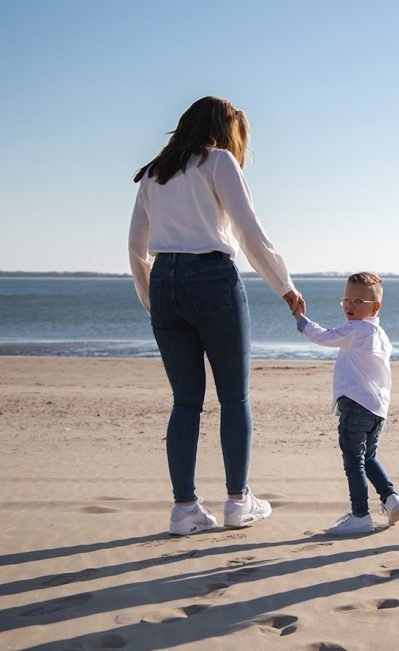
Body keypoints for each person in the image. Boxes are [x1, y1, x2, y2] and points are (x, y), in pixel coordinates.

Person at [129, 96, 304, 536]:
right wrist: (284, 285)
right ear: (224, 130)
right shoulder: (220, 161)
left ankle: (184, 508)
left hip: (165, 278)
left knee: (185, 401)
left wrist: (153, 299)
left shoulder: (154, 172)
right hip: (210, 277)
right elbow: (248, 231)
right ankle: (237, 501)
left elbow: (135, 245)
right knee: (233, 396)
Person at [292, 272, 399, 535]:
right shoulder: (380, 335)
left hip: (356, 406)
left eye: (358, 301)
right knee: (368, 457)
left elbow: (324, 336)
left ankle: (360, 516)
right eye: (346, 299)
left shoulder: (356, 330)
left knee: (354, 461)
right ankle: (391, 500)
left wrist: (300, 320)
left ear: (374, 307)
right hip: (377, 410)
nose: (349, 306)